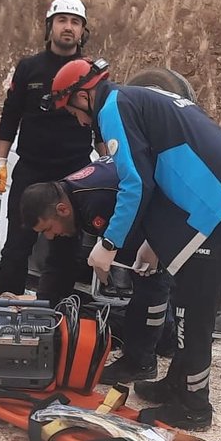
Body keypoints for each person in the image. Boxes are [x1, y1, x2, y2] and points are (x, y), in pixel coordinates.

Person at [49, 58, 221, 429]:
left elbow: (136, 183)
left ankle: (194, 407)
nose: (78, 121)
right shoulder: (134, 97)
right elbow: (159, 168)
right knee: (186, 297)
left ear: (83, 96)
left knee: (193, 310)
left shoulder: (112, 108)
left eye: (72, 111)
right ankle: (177, 383)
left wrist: (109, 243)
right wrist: (152, 242)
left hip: (215, 200)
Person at [18, 161, 174, 384]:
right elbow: (59, 263)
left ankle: (140, 363)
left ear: (62, 210)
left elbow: (147, 264)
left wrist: (123, 249)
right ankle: (165, 340)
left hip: (169, 207)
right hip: (140, 202)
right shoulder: (66, 199)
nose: (49, 236)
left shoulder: (98, 201)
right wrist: (44, 312)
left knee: (148, 276)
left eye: (48, 229)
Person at [0, 0, 94, 297]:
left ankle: (53, 311)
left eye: (75, 22)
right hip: (31, 169)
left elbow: (99, 121)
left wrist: (106, 164)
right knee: (17, 245)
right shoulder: (29, 68)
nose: (68, 27)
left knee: (65, 251)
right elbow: (10, 116)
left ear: (82, 31)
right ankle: (6, 309)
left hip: (74, 172)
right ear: (50, 26)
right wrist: (0, 163)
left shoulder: (89, 71)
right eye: (62, 20)